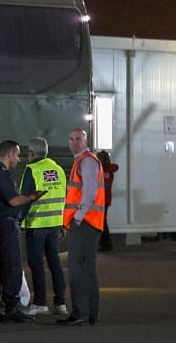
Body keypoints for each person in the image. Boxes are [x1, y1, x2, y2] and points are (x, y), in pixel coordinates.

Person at [0, 140, 45, 323]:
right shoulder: (3, 175)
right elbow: (13, 201)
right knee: (12, 266)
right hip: (6, 225)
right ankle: (11, 306)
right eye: (17, 155)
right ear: (10, 154)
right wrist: (32, 197)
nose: (18, 159)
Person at [58, 129, 105, 326]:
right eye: (71, 139)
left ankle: (80, 312)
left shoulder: (86, 161)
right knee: (87, 268)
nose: (74, 142)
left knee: (78, 268)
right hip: (88, 222)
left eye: (79, 139)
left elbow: (89, 193)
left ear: (86, 141)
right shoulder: (85, 161)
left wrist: (77, 217)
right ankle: (89, 312)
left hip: (85, 222)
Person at [19, 137, 68, 316]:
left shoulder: (32, 170)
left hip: (36, 224)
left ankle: (40, 302)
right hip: (54, 223)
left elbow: (25, 199)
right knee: (54, 262)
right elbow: (64, 197)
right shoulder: (58, 169)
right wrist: (63, 223)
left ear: (31, 153)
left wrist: (18, 221)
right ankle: (60, 303)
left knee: (36, 263)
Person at [97, 150, 118, 252]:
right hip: (105, 199)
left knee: (101, 222)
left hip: (101, 200)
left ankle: (106, 243)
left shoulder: (101, 171)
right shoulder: (109, 170)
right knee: (102, 221)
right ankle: (105, 243)